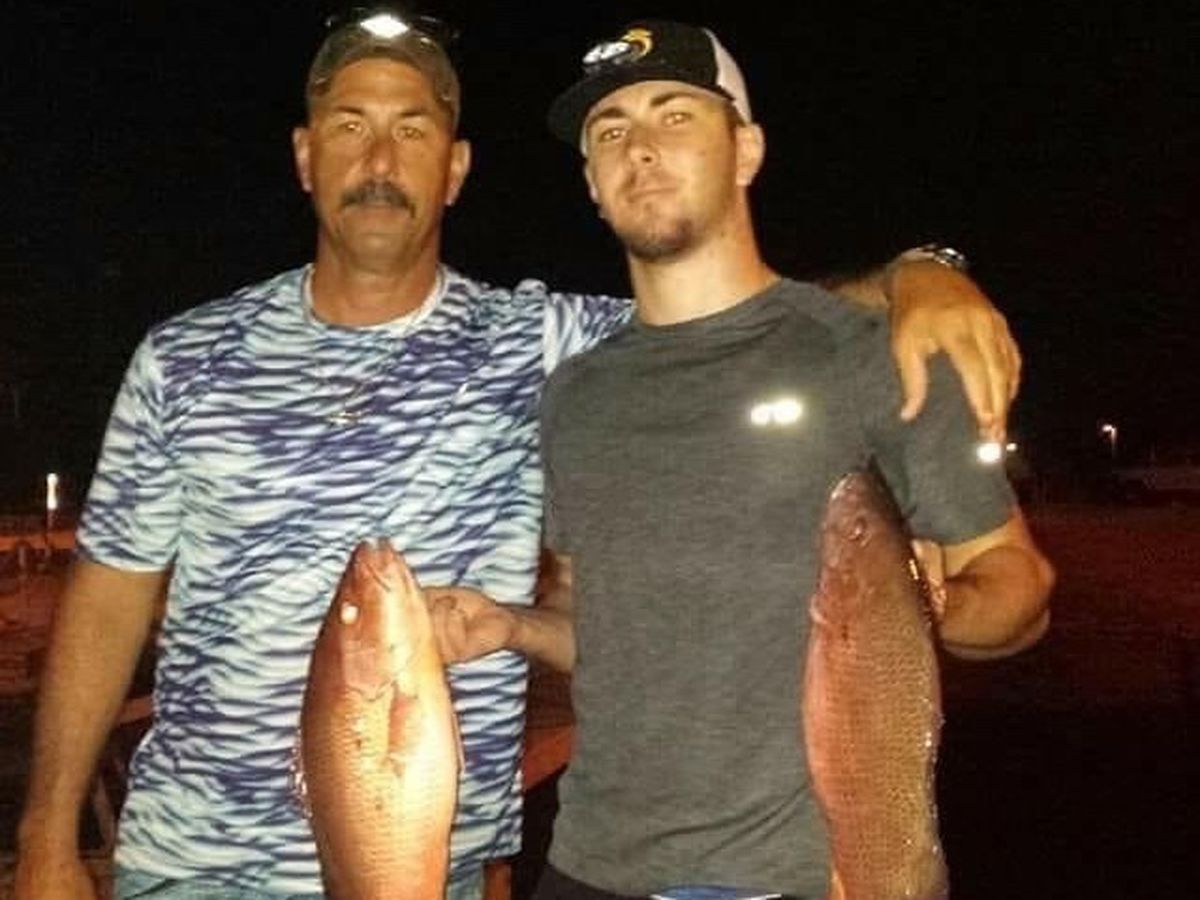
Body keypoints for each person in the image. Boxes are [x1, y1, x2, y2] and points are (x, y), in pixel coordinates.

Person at [16, 7, 1023, 900]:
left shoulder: (544, 346)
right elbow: (108, 600)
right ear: (304, 156)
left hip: (426, 861)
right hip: (194, 863)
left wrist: (919, 276)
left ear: (455, 169)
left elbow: (731, 319)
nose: (379, 160)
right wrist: (47, 839)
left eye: (414, 129)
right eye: (350, 126)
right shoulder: (186, 356)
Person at [425, 18, 1055, 900]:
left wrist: (915, 610)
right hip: (593, 864)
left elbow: (1020, 590)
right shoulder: (578, 394)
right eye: (610, 131)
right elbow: (595, 620)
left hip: (812, 873)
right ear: (593, 183)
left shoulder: (875, 356)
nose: (641, 146)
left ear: (746, 149)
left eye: (675, 113)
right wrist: (513, 625)